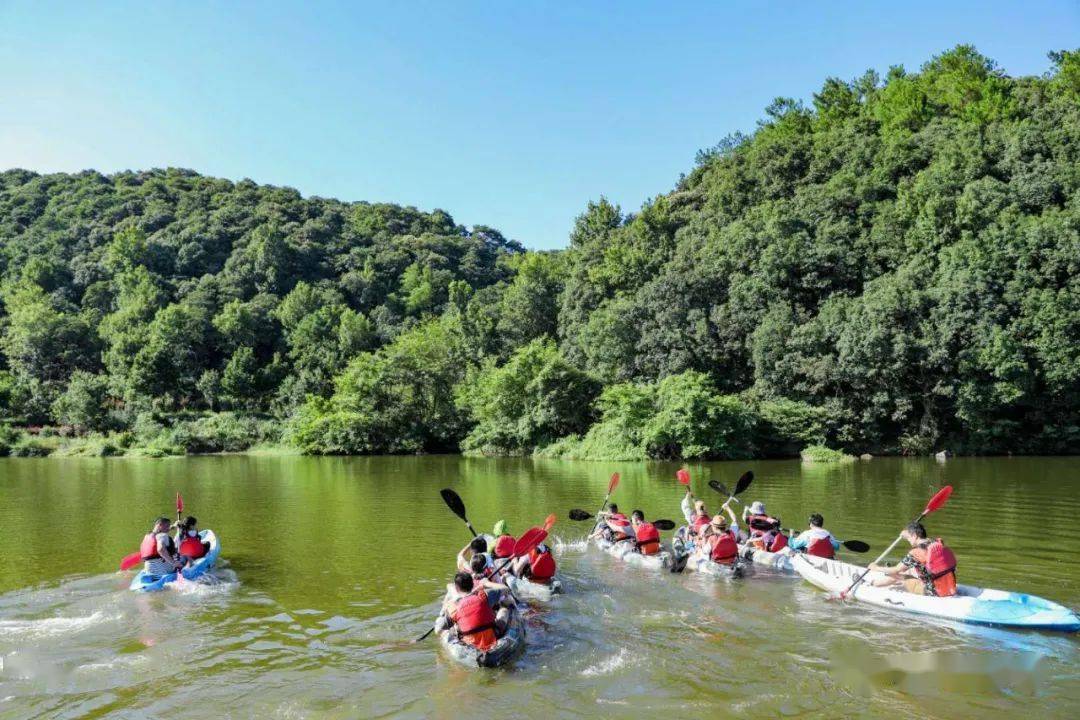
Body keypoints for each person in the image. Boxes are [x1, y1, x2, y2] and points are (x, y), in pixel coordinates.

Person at [868, 522, 958, 597]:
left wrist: (875, 567)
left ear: (914, 536)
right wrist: (907, 533)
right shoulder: (936, 543)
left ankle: (872, 584)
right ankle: (879, 582)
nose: (908, 540)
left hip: (932, 592)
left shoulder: (915, 553)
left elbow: (895, 569)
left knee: (896, 574)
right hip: (949, 587)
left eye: (908, 538)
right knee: (910, 570)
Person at [440, 572, 510, 652]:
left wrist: (446, 606)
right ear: (473, 584)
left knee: (453, 627)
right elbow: (506, 589)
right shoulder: (484, 596)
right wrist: (487, 583)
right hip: (492, 638)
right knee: (504, 610)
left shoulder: (453, 606)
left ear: (456, 588)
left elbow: (439, 627)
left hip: (469, 644)